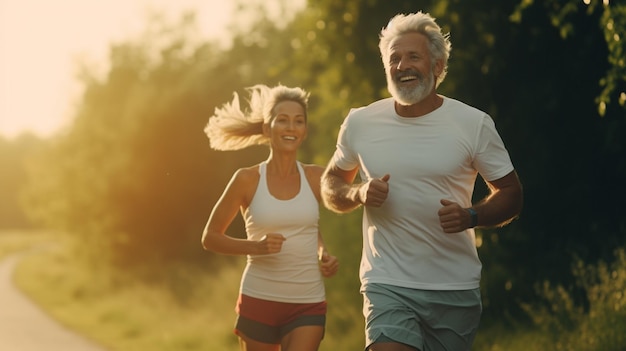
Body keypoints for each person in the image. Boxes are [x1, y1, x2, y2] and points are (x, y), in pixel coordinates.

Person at [320, 12, 523, 351]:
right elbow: (331, 182)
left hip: (453, 287)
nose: (402, 66)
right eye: (394, 58)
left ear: (438, 66)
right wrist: (357, 192)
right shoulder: (361, 122)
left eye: (413, 56)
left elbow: (511, 194)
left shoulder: (472, 123)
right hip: (387, 281)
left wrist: (471, 216)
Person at [201, 84, 339, 351]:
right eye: (283, 120)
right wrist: (256, 247)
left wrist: (322, 252)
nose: (291, 127)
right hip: (259, 299)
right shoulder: (247, 179)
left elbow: (307, 227)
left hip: (307, 301)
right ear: (267, 128)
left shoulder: (316, 177)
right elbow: (210, 238)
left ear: (305, 131)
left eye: (299, 121)